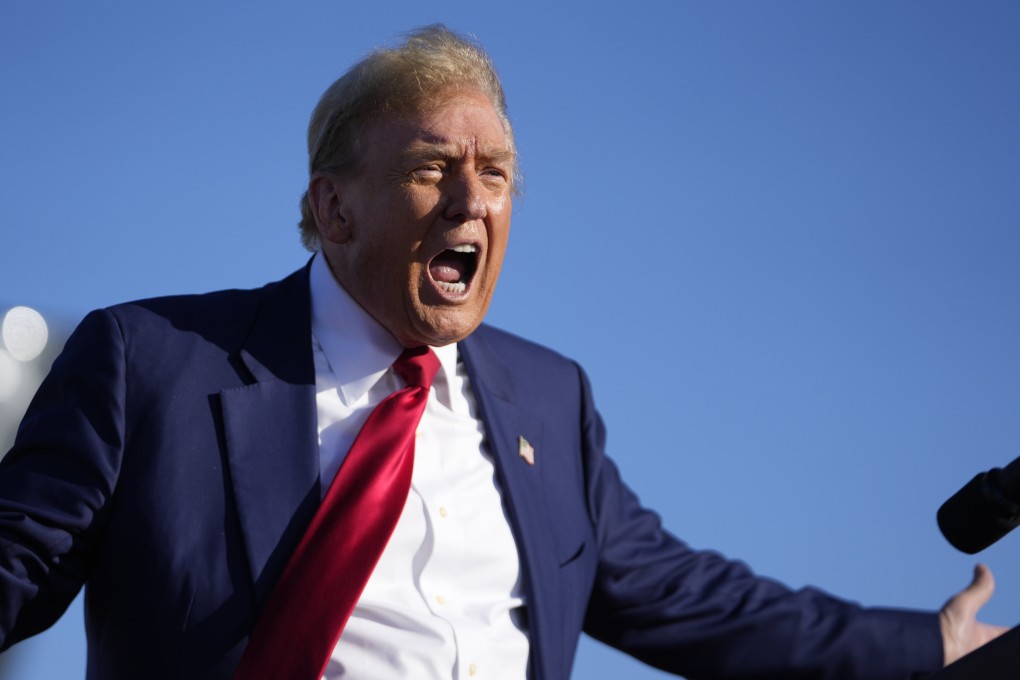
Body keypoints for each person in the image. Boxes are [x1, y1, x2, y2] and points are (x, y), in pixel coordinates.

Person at [0, 25, 1006, 680]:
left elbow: (688, 596)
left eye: (495, 173)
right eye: (433, 166)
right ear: (332, 207)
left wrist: (928, 642)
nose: (471, 200)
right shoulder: (154, 361)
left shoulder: (548, 399)